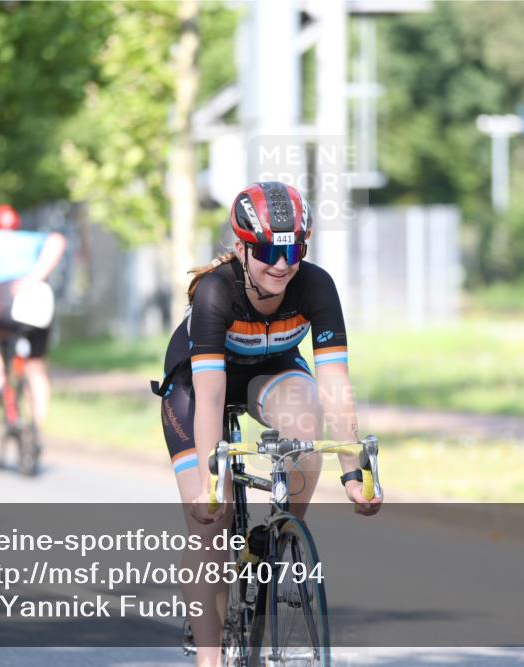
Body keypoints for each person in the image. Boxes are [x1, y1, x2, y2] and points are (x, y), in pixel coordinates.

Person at [153, 181, 384, 665]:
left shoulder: (315, 285)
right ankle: (210, 657)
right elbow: (212, 394)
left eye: (294, 248)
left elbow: (336, 385)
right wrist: (210, 483)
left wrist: (353, 472)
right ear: (240, 247)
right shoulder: (217, 292)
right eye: (266, 250)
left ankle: (280, 536)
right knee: (210, 523)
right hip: (199, 388)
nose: (282, 263)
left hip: (273, 371)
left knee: (307, 424)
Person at [0, 204, 66, 429]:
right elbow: (57, 240)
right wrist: (35, 276)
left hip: (5, 303)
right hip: (39, 300)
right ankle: (37, 431)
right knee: (36, 368)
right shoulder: (28, 239)